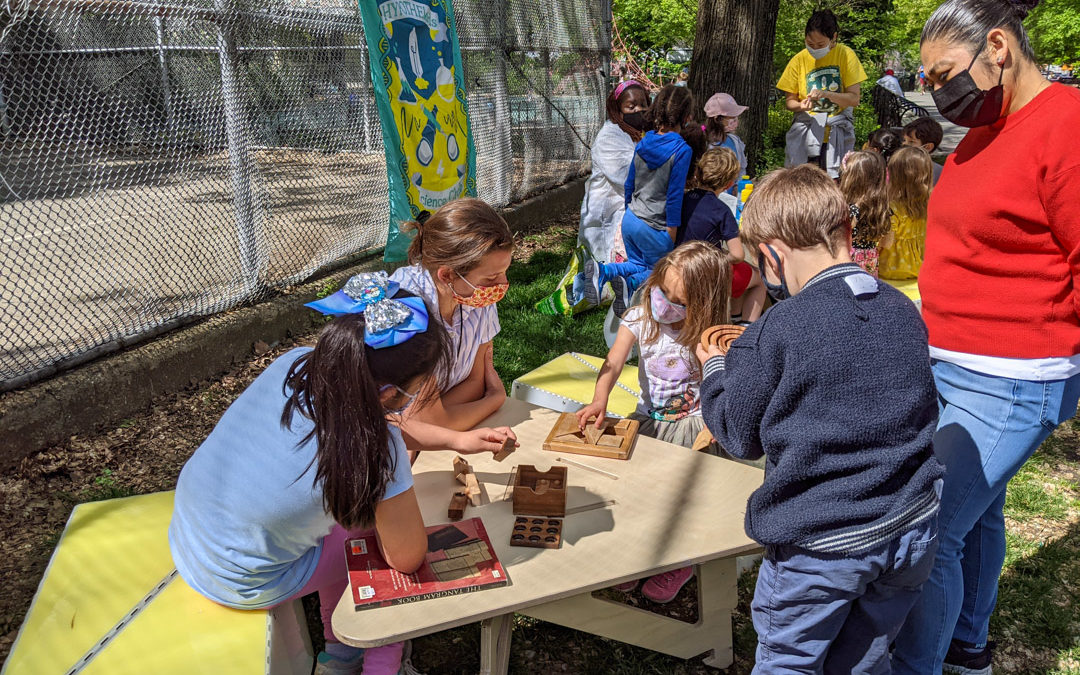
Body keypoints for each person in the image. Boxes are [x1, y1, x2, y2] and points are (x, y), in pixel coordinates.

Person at [169, 275, 516, 675]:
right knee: (382, 541)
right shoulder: (377, 448)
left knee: (363, 521)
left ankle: (341, 655)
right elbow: (406, 558)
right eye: (418, 389)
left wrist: (457, 440)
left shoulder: (296, 364)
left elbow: (376, 420)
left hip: (193, 541)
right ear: (390, 392)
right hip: (243, 580)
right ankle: (380, 666)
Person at [892, 1, 1080, 672]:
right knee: (978, 520)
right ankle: (968, 643)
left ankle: (922, 664)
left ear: (997, 47)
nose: (939, 92)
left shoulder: (1065, 125)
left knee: (930, 534)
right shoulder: (985, 130)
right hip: (950, 364)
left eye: (944, 74)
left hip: (1011, 377)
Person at [697, 164, 943, 673]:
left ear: (770, 255)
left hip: (822, 544)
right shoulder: (901, 307)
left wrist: (716, 368)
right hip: (909, 525)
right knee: (865, 659)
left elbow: (738, 433)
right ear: (847, 232)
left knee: (790, 661)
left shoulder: (781, 325)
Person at [577, 241, 732, 603]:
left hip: (694, 428)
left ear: (702, 304)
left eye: (679, 302)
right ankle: (638, 558)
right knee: (636, 491)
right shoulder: (639, 319)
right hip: (648, 421)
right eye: (662, 291)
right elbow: (613, 362)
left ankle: (680, 561)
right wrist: (600, 398)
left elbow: (719, 382)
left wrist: (714, 425)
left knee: (683, 498)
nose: (665, 303)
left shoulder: (706, 332)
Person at [390, 199, 513, 438]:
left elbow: (475, 383)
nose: (502, 285)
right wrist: (495, 398)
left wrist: (442, 415)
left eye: (505, 271)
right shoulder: (407, 309)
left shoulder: (476, 296)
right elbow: (423, 422)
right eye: (491, 277)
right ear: (447, 274)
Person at [582, 85, 695, 317]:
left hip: (631, 220)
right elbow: (674, 196)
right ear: (686, 117)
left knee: (638, 265)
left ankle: (603, 272)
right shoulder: (682, 150)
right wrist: (671, 232)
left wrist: (629, 212)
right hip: (655, 225)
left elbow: (630, 183)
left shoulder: (645, 141)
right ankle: (630, 285)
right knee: (661, 269)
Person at [677, 147, 766, 322]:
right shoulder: (722, 211)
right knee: (759, 279)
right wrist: (718, 256)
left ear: (698, 172)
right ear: (728, 184)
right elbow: (738, 255)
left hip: (680, 264)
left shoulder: (682, 199)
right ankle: (744, 327)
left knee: (741, 273)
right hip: (707, 273)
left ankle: (734, 318)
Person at [778, 10, 868, 178]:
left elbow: (854, 99)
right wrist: (800, 105)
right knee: (803, 182)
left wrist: (828, 95)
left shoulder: (846, 55)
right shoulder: (799, 60)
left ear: (833, 38)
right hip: (807, 134)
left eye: (820, 45)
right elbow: (790, 101)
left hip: (835, 133)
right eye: (809, 43)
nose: (814, 48)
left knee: (834, 183)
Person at [577, 81, 650, 266]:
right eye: (631, 106)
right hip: (608, 216)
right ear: (617, 109)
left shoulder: (638, 133)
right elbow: (627, 178)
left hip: (630, 215)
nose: (638, 110)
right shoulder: (610, 137)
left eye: (643, 105)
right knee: (606, 272)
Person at [879, 146, 932, 280]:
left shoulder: (892, 208)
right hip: (922, 268)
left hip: (890, 271)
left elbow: (885, 243)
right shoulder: (932, 203)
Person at [839, 150, 891, 278]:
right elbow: (887, 242)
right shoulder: (881, 208)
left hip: (848, 260)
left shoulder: (850, 210)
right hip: (871, 259)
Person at [703, 92, 749, 184]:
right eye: (732, 119)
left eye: (736, 118)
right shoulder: (706, 143)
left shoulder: (734, 141)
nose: (736, 122)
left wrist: (738, 185)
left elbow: (741, 168)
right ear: (717, 119)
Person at [903, 116, 946, 185]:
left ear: (928, 147)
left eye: (911, 142)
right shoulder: (898, 165)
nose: (904, 144)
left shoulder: (937, 173)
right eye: (904, 140)